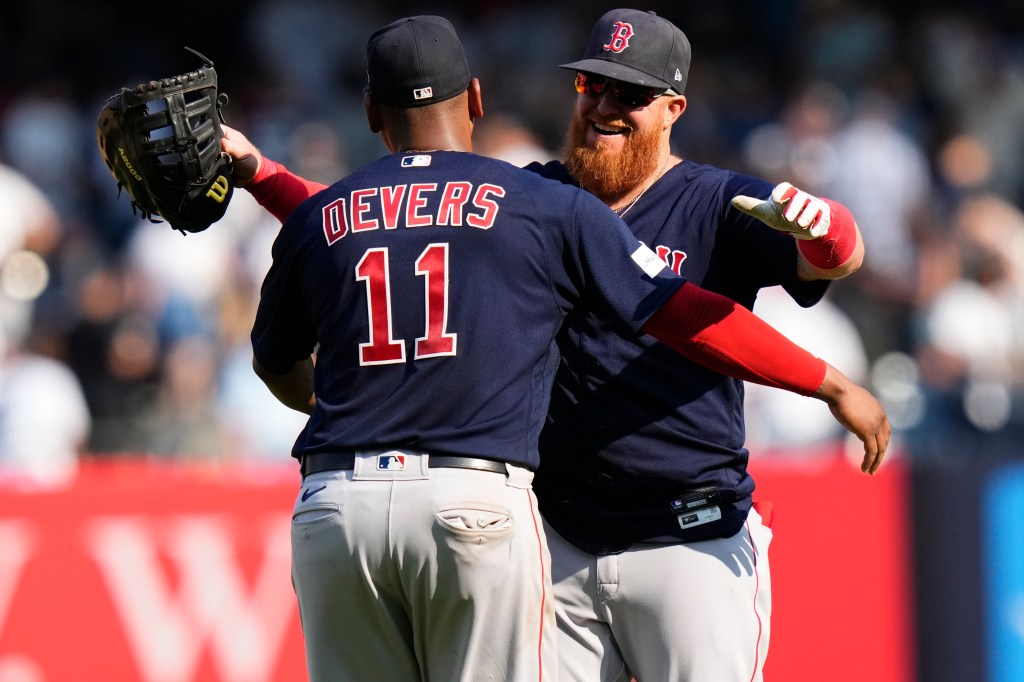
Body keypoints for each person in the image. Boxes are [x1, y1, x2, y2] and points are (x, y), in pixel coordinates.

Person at [231, 12, 888, 682]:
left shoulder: (718, 200)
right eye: (591, 87)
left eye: (628, 94)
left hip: (689, 532)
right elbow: (390, 213)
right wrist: (262, 174)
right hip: (561, 534)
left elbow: (831, 259)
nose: (603, 106)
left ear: (673, 109)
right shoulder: (542, 194)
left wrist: (830, 235)